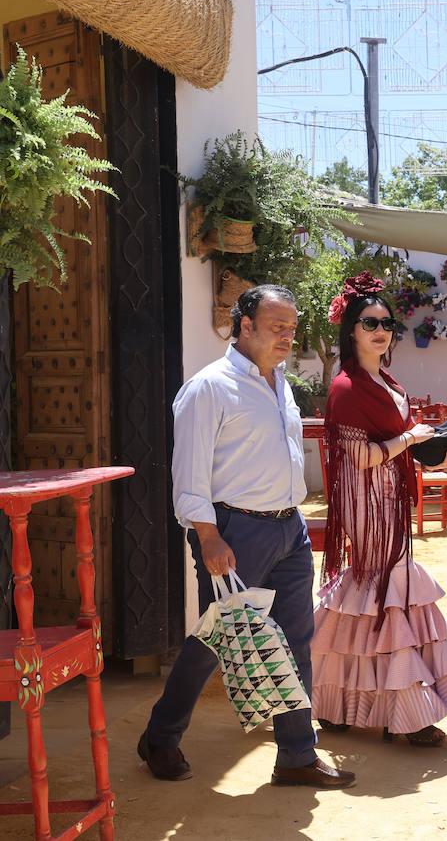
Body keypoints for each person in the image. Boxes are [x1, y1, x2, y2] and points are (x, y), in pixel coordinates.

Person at [138, 285, 354, 788]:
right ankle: (161, 737)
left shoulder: (281, 385)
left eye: (291, 328)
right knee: (218, 642)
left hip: (290, 529)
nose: (287, 337)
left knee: (296, 641)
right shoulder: (209, 387)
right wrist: (208, 536)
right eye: (277, 327)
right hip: (234, 532)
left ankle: (297, 755)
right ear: (245, 326)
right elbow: (188, 472)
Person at [310, 272, 447, 747]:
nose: (381, 330)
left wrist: (431, 452)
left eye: (387, 323)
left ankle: (342, 702)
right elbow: (360, 457)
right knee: (385, 588)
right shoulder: (346, 387)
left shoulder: (386, 379)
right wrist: (408, 438)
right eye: (370, 323)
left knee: (377, 591)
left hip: (389, 494)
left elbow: (397, 444)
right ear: (351, 330)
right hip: (366, 498)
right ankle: (403, 712)